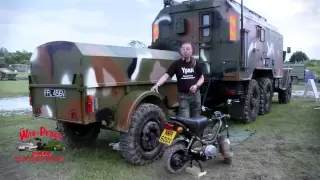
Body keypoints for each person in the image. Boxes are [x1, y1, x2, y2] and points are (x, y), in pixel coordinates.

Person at [150, 42, 204, 118]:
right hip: (183, 97)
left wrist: (196, 85)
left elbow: (202, 78)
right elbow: (166, 76)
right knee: (185, 120)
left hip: (196, 96)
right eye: (184, 49)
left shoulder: (196, 64)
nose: (185, 50)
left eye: (188, 49)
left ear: (192, 51)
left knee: (196, 119)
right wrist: (157, 85)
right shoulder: (176, 64)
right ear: (181, 51)